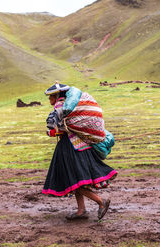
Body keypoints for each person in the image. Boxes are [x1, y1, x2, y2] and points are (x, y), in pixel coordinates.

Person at [42, 83, 117, 220]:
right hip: (80, 145)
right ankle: (81, 210)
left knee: (74, 180)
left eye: (51, 96)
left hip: (70, 148)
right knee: (77, 180)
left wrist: (50, 133)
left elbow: (59, 128)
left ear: (57, 95)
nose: (49, 99)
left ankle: (101, 202)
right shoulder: (71, 105)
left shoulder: (60, 106)